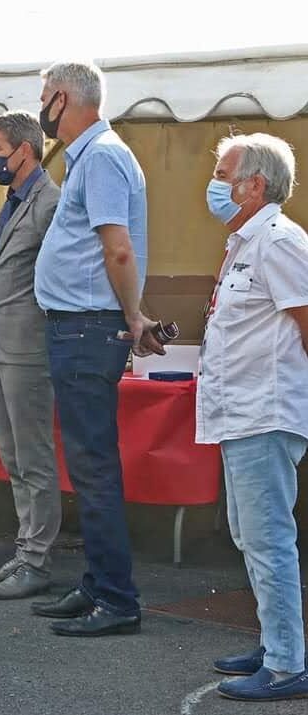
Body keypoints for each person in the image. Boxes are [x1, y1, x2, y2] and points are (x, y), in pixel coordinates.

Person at [28, 61, 163, 636]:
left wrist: (133, 317)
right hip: (80, 325)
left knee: (94, 467)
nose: (40, 107)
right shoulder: (93, 156)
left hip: (86, 328)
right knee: (87, 467)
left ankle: (115, 599)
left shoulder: (102, 156)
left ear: (62, 98)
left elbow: (119, 250)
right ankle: (97, 584)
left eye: (43, 97)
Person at [198, 133, 308, 702]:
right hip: (239, 412)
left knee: (267, 539)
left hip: (263, 410)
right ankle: (276, 643)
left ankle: (288, 664)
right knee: (251, 535)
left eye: (223, 175)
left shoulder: (279, 240)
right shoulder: (246, 241)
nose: (215, 185)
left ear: (254, 184)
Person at [0, 111, 61, 599]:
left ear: (26, 150)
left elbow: (61, 275)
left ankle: (38, 560)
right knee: (13, 458)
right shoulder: (13, 200)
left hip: (27, 346)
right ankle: (26, 551)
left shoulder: (50, 202)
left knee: (33, 458)